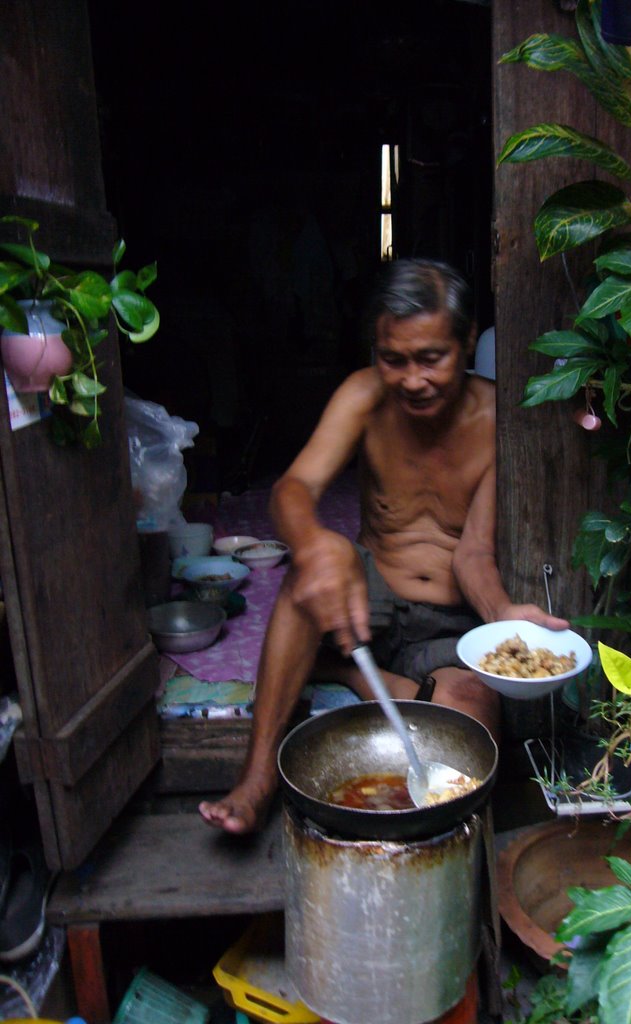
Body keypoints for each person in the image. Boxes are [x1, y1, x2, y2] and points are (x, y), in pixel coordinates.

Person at [199, 258, 568, 834]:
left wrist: (501, 619)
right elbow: (293, 488)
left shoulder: (498, 419)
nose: (412, 380)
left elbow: (472, 553)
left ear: (467, 341)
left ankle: (352, 676)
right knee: (319, 561)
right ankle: (257, 780)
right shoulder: (364, 396)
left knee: (468, 728)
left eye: (431, 359)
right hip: (366, 601)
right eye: (393, 359)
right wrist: (312, 543)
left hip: (449, 627)